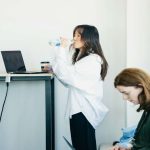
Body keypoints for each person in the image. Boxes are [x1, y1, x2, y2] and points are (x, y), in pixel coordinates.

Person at [51, 25, 109, 150]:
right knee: (81, 146)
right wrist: (56, 66)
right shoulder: (85, 60)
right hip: (79, 110)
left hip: (84, 111)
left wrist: (61, 48)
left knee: (84, 146)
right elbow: (66, 79)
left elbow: (65, 75)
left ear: (89, 39)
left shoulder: (92, 60)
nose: (74, 38)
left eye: (78, 35)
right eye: (75, 35)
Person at [111, 68, 150, 150]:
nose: (124, 98)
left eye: (126, 93)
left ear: (140, 87)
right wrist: (127, 147)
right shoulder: (147, 110)